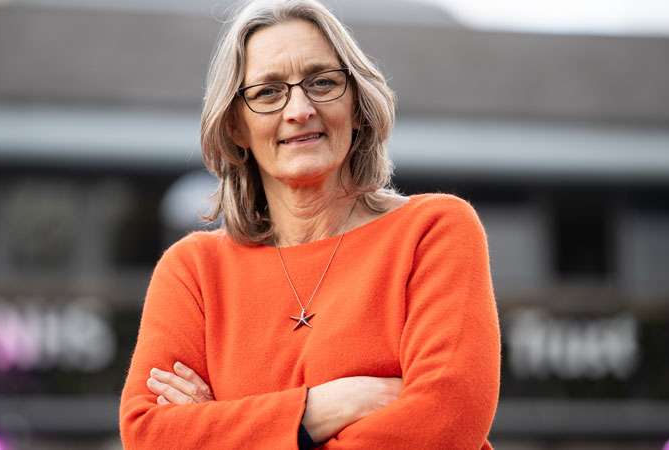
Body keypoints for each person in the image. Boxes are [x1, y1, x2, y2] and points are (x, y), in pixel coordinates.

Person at [119, 0, 500, 448]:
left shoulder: (433, 232)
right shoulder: (193, 272)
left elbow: (445, 422)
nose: (299, 109)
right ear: (236, 127)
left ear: (356, 105)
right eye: (267, 92)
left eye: (322, 82)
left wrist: (224, 429)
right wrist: (318, 409)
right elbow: (148, 435)